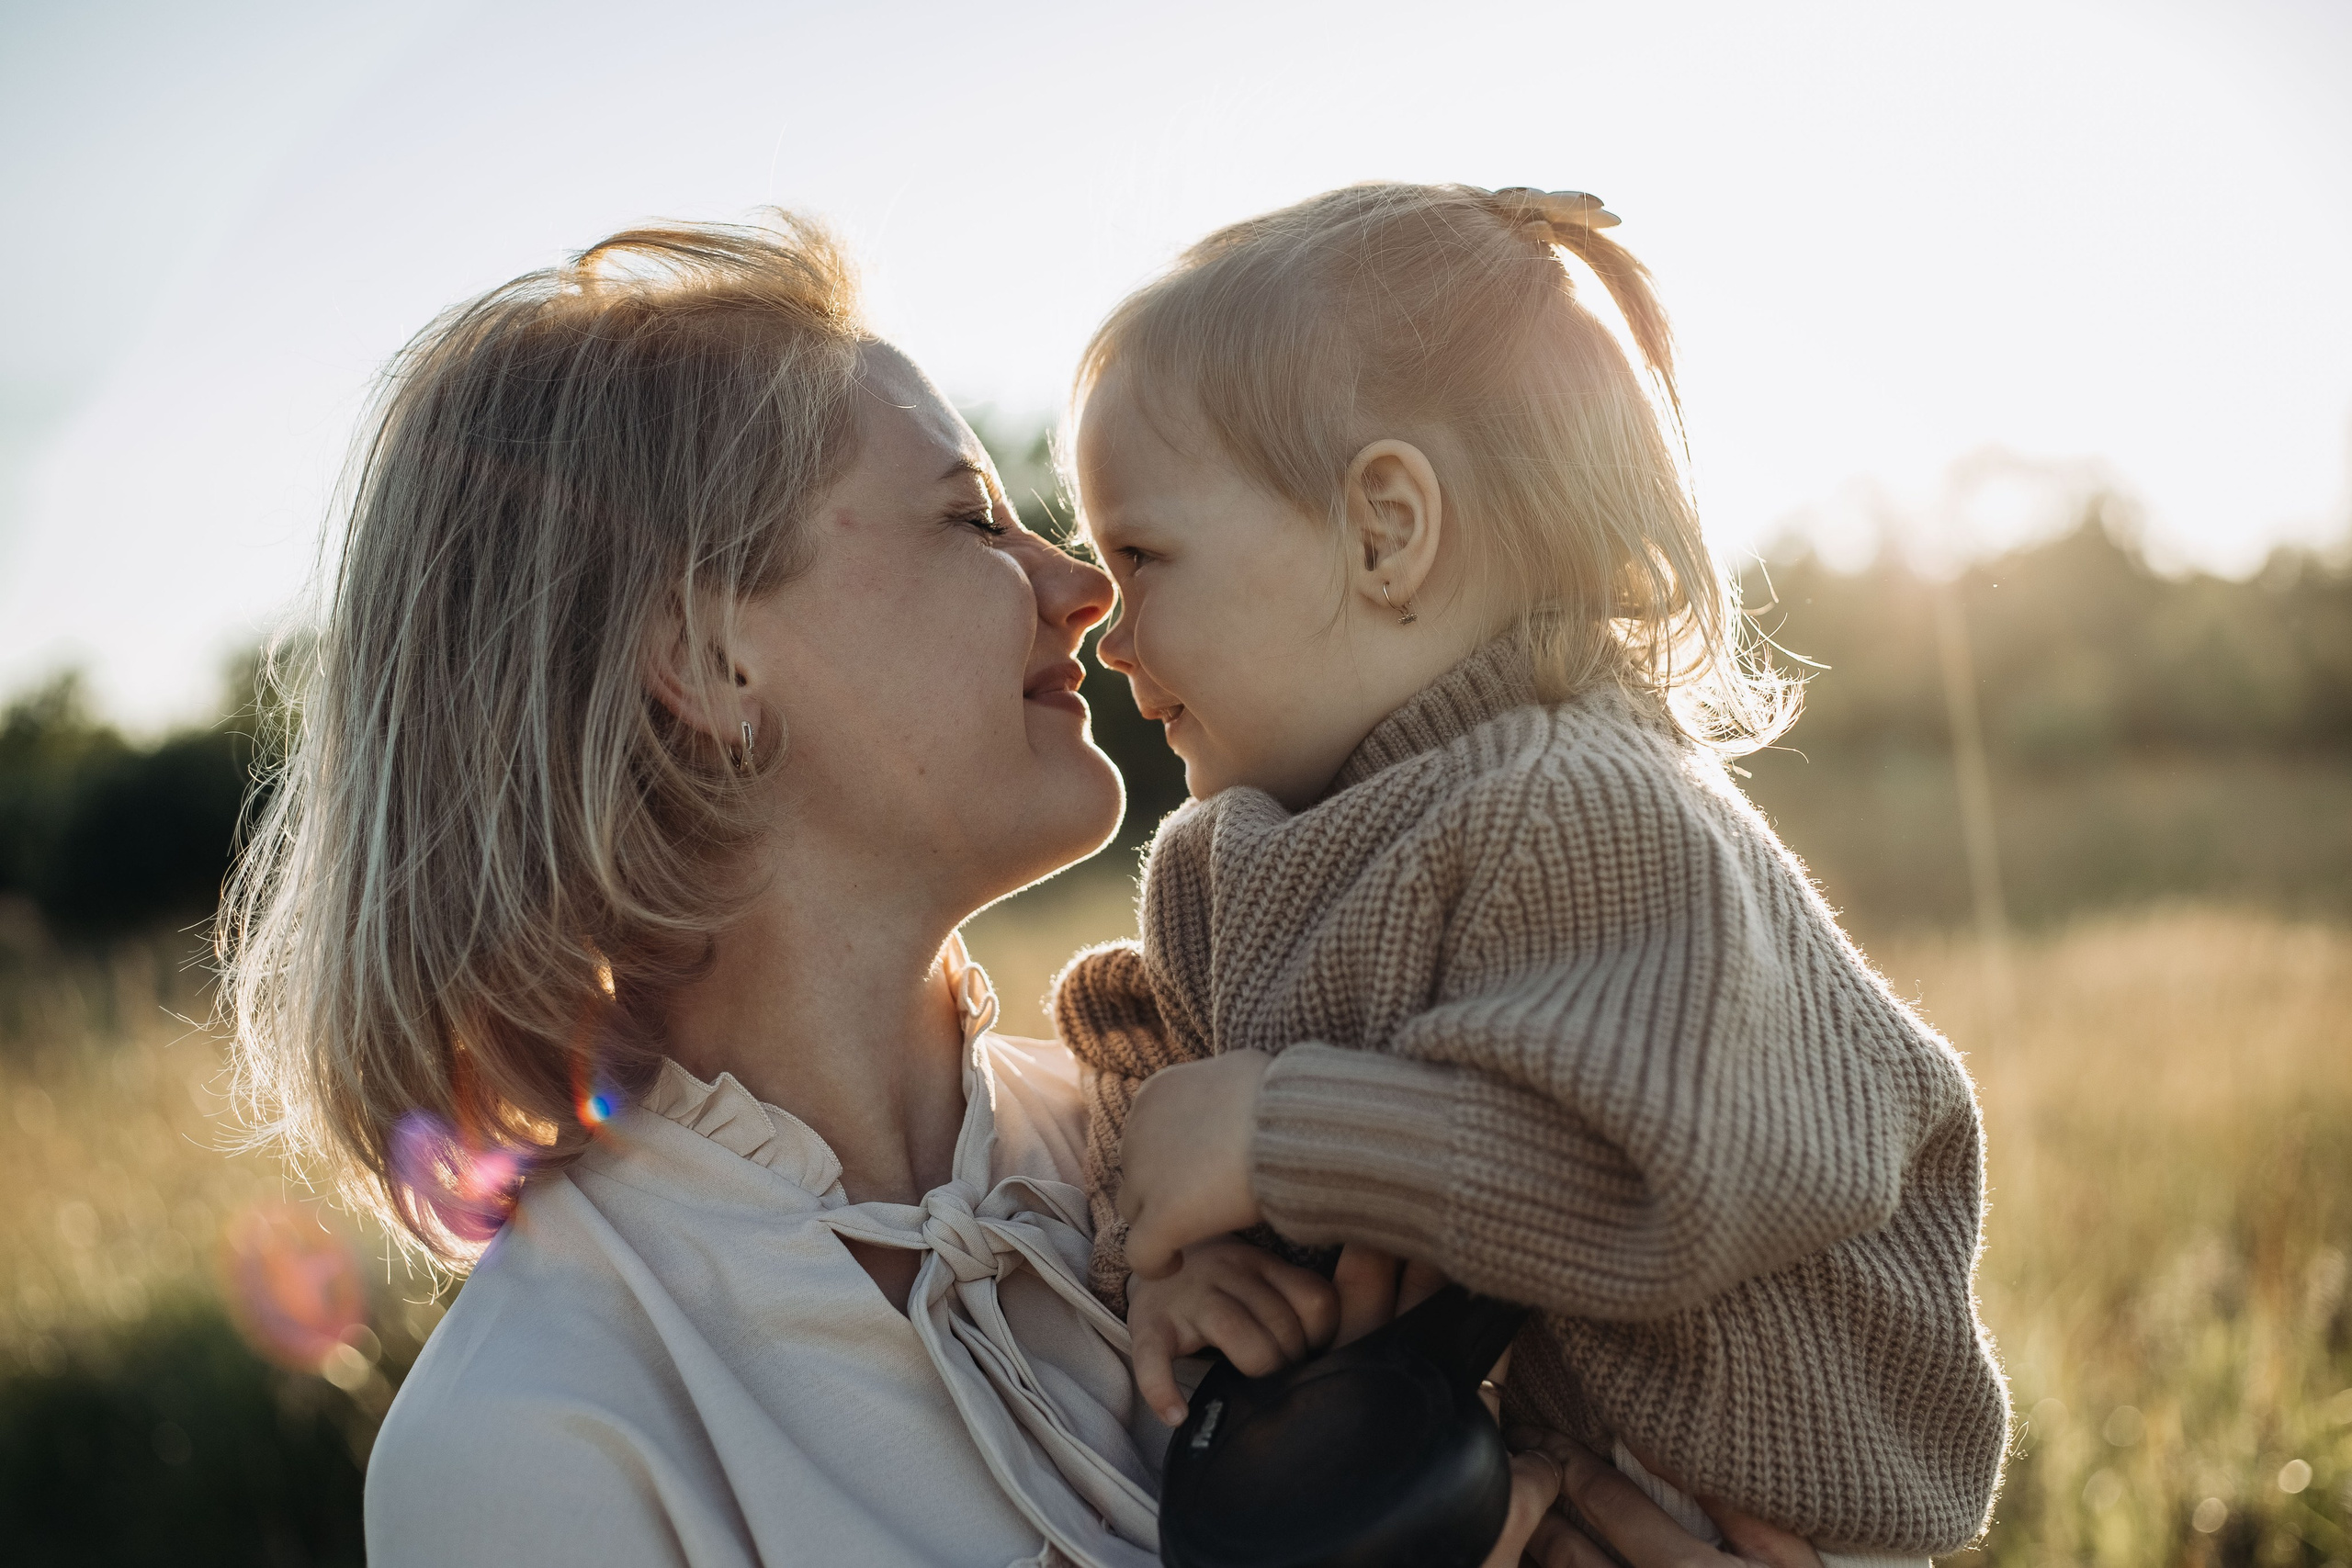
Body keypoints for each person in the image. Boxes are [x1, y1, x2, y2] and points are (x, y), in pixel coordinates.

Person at [218, 209, 1830, 1568]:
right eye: (971, 517)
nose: (1082, 591)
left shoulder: (1228, 1128)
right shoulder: (537, 1442)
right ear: (706, 655)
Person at [1051, 182, 2010, 1565]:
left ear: (1387, 531)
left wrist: (1275, 1135)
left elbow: (1650, 1179)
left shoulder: (1591, 808)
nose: (1112, 634)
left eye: (1142, 557)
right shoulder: (1224, 856)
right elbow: (1155, 1056)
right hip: (1508, 1482)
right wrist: (1173, 1252)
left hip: (1750, 1499)